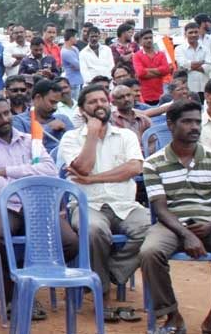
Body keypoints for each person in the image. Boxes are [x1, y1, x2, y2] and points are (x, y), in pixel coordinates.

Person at [0, 93, 73, 320]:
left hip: (34, 205)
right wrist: (23, 184)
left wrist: (7, 172)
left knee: (69, 242)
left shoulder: (30, 140)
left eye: (6, 113)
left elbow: (50, 171)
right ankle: (14, 295)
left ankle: (20, 274)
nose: (4, 119)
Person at [59, 84, 149, 321]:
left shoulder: (126, 135)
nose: (99, 105)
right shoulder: (71, 138)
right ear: (82, 110)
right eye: (92, 102)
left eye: (102, 100)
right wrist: (91, 134)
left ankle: (107, 274)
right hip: (88, 205)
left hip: (125, 205)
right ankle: (104, 295)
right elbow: (83, 167)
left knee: (152, 228)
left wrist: (93, 179)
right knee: (93, 230)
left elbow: (134, 167)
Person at [141, 99, 211, 334]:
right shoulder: (153, 163)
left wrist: (210, 227)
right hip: (171, 225)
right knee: (150, 252)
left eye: (197, 122)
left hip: (210, 224)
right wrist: (186, 234)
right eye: (187, 122)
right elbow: (160, 209)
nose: (195, 127)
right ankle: (172, 315)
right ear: (171, 124)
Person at [12, 80, 73, 154]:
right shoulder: (19, 121)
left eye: (57, 103)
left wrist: (67, 132)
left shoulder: (63, 119)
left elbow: (77, 143)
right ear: (38, 98)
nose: (55, 107)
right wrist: (48, 128)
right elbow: (21, 148)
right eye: (52, 102)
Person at [175, 22, 211, 101]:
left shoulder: (206, 49)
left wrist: (190, 66)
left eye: (196, 32)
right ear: (185, 34)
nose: (193, 35)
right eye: (190, 32)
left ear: (199, 33)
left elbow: (209, 67)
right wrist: (202, 62)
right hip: (187, 88)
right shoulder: (179, 49)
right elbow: (183, 65)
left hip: (204, 87)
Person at [132, 29, 172, 106]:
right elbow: (140, 73)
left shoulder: (161, 54)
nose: (149, 40)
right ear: (140, 41)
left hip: (160, 93)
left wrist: (147, 70)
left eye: (150, 38)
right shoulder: (136, 55)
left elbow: (166, 70)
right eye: (146, 38)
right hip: (144, 95)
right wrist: (159, 72)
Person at [61, 29, 83, 97]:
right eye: (76, 37)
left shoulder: (75, 48)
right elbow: (79, 66)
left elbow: (81, 61)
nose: (77, 39)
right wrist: (79, 64)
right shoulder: (65, 52)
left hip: (78, 80)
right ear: (71, 38)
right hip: (72, 82)